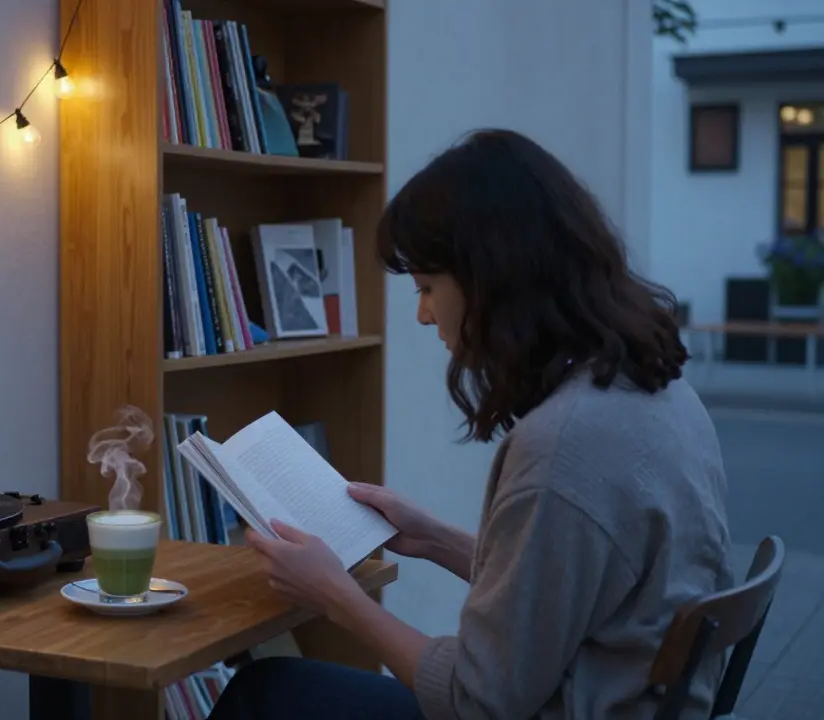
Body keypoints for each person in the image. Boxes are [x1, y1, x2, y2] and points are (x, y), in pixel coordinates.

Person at [206, 129, 735, 720]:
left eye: (429, 287)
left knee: (267, 694)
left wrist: (338, 597)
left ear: (492, 277)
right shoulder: (660, 392)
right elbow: (569, 587)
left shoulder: (564, 444)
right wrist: (433, 539)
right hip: (616, 692)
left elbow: (477, 702)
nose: (423, 312)